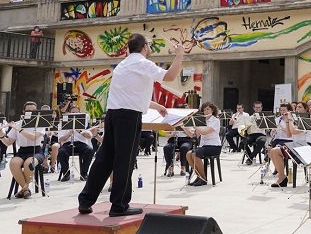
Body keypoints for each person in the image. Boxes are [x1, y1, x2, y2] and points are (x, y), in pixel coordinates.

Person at [78, 34, 184, 217]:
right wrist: (180, 54)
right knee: (124, 161)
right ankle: (119, 205)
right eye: (149, 46)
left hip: (113, 115)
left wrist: (157, 106)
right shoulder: (142, 63)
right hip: (129, 117)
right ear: (144, 47)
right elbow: (170, 75)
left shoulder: (123, 64)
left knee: (105, 158)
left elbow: (132, 95)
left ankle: (86, 200)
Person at [0, 102, 47, 198]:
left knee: (28, 164)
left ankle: (23, 190)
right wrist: (0, 134)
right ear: (24, 111)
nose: (31, 112)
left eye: (33, 111)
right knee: (13, 163)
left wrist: (18, 129)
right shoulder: (18, 124)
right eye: (28, 110)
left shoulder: (40, 123)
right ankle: (26, 189)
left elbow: (33, 138)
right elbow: (8, 142)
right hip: (22, 151)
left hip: (36, 151)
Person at [183, 102, 222, 186]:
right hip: (203, 146)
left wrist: (195, 126)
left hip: (214, 146)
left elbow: (205, 132)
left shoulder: (215, 121)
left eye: (208, 109)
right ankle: (199, 176)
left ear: (212, 109)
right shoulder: (202, 121)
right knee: (188, 154)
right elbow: (194, 136)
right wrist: (184, 127)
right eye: (204, 110)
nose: (206, 111)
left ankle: (203, 178)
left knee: (195, 154)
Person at [57, 105, 95, 181]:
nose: (75, 114)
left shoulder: (84, 123)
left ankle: (84, 173)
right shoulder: (63, 123)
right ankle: (66, 173)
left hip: (81, 144)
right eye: (73, 113)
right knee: (61, 152)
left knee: (90, 150)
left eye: (77, 113)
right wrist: (68, 135)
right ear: (69, 113)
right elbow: (60, 139)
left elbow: (89, 136)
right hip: (67, 144)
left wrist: (80, 131)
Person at [267, 103, 302, 187]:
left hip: (287, 140)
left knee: (276, 149)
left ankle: (280, 174)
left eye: (284, 110)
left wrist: (283, 128)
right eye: (281, 110)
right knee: (269, 149)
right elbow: (272, 133)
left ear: (288, 111)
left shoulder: (292, 120)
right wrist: (273, 132)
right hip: (278, 139)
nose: (282, 112)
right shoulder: (277, 119)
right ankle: (279, 170)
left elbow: (290, 134)